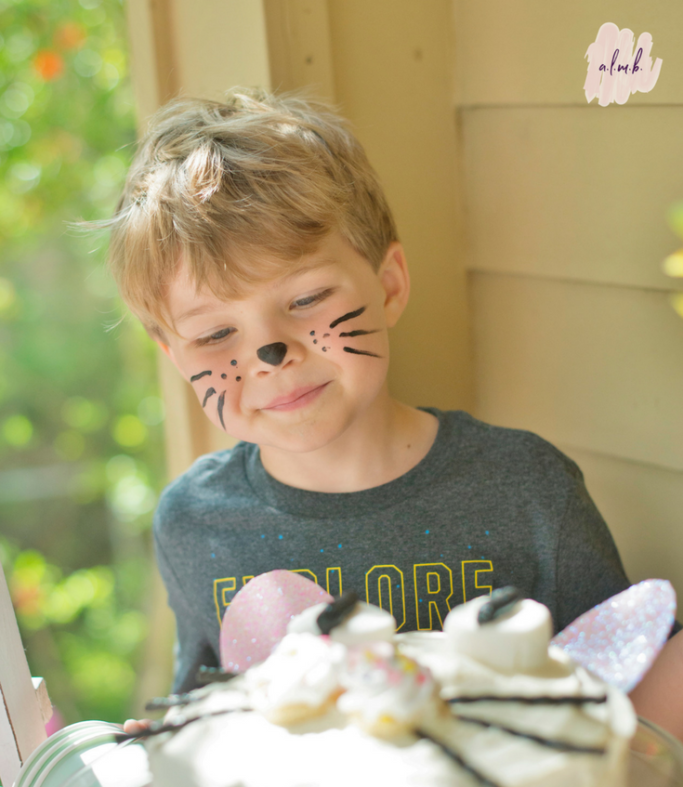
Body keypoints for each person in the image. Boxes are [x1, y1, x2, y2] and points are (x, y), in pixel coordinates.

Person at [104, 88, 683, 732]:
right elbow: (211, 716)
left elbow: (623, 696)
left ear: (389, 285)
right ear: (172, 353)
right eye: (215, 335)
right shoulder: (195, 525)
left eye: (306, 298)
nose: (270, 354)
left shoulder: (527, 488)